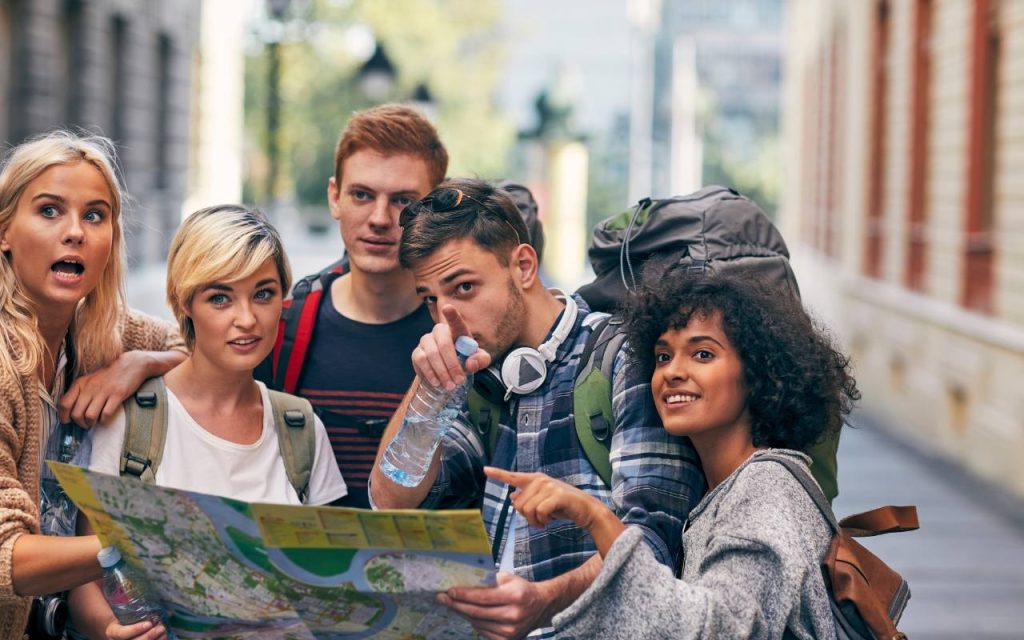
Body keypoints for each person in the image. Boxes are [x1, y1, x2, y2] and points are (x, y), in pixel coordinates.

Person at [369, 178, 705, 639]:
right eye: (431, 298)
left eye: (463, 287)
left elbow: (651, 545)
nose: (448, 319)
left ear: (523, 265)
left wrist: (545, 601)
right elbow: (393, 503)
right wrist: (429, 387)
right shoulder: (477, 375)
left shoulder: (623, 356)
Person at [487, 272, 860, 639]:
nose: (674, 372)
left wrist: (598, 519)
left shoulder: (768, 489)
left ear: (760, 373)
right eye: (663, 356)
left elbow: (722, 629)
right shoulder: (722, 489)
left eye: (702, 354)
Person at [72, 205, 348, 639]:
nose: (247, 319)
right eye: (220, 297)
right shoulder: (131, 422)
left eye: (263, 293)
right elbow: (85, 574)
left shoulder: (300, 425)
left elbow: (330, 582)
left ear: (283, 300)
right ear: (185, 303)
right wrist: (110, 629)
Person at [0, 131, 187, 637]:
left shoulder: (101, 332)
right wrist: (156, 541)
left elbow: (206, 345)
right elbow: (6, 558)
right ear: (4, 232)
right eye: (49, 211)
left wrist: (139, 362)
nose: (76, 232)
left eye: (95, 215)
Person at [256, 104, 448, 508]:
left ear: (434, 208)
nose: (379, 218)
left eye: (403, 201)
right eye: (362, 195)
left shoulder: (458, 335)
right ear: (334, 197)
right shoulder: (285, 327)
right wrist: (141, 363)